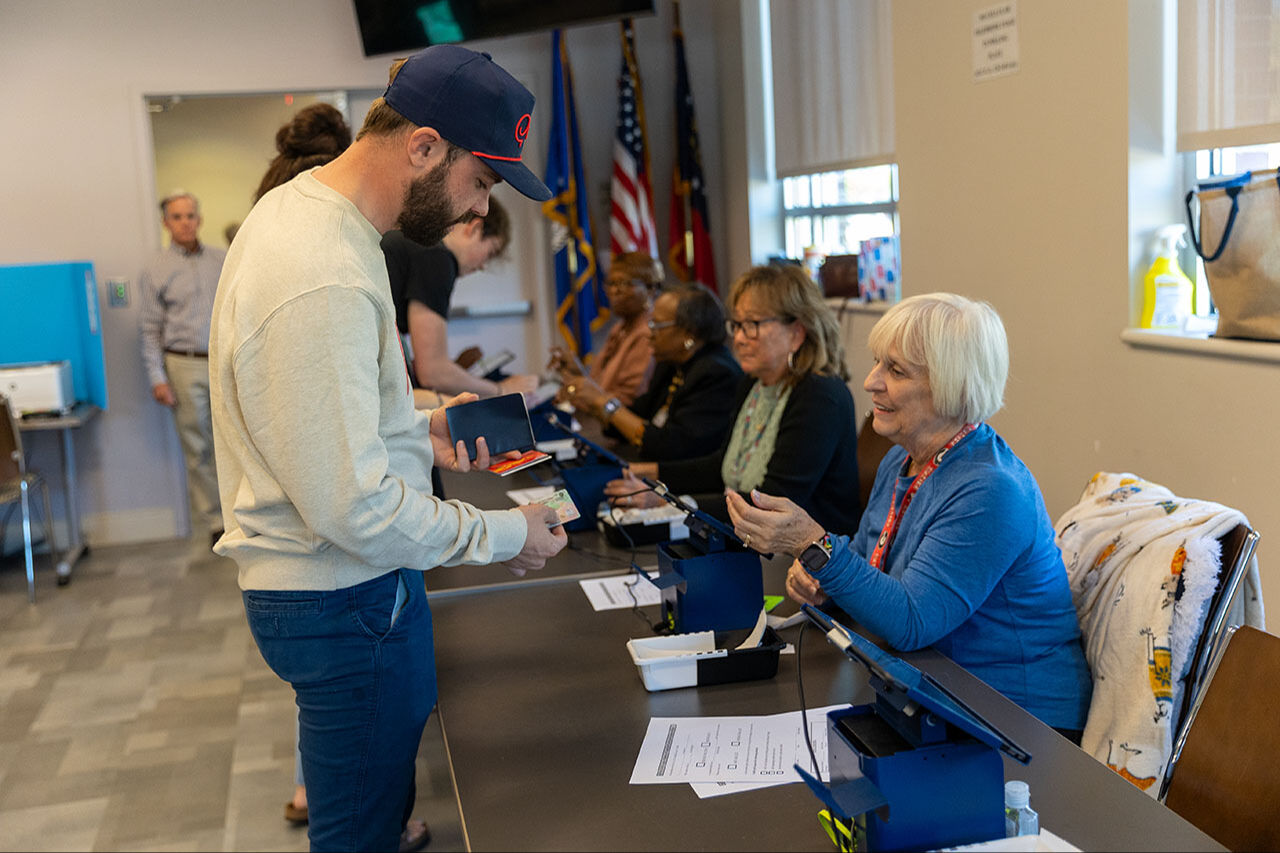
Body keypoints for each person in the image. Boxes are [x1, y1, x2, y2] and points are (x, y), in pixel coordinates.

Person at [209, 45, 567, 852]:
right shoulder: (324, 268)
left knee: (369, 813)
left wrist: (421, 431)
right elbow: (352, 504)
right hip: (345, 597)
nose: (476, 211)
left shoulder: (311, 219)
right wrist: (504, 534)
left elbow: (319, 424)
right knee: (359, 835)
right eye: (481, 182)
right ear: (423, 146)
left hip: (337, 591)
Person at [725, 293, 1092, 737]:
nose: (871, 382)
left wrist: (812, 546)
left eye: (895, 371)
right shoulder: (901, 460)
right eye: (878, 363)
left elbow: (913, 622)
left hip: (1015, 721)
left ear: (951, 383)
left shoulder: (990, 489)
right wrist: (818, 581)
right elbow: (863, 560)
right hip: (929, 691)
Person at [605, 264, 861, 534]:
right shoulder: (754, 383)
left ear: (796, 333)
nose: (738, 338)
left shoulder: (820, 396)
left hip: (807, 558)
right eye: (737, 325)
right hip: (752, 541)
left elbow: (773, 502)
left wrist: (667, 501)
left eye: (752, 325)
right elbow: (722, 467)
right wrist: (651, 474)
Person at [563, 281, 742, 462]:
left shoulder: (716, 374)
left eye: (657, 325)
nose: (650, 333)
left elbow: (672, 446)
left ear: (689, 333)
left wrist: (603, 402)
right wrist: (590, 400)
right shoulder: (671, 364)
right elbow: (636, 416)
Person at [383, 197, 539, 401]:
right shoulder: (437, 258)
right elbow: (432, 373)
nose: (483, 266)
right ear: (475, 228)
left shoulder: (418, 242)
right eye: (490, 253)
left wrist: (456, 369)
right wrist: (502, 390)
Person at [138, 190, 226, 549]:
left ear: (200, 219)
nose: (185, 222)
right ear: (165, 222)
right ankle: (217, 522)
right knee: (199, 445)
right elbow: (149, 329)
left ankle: (243, 515)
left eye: (190, 215)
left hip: (223, 362)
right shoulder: (156, 269)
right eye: (177, 217)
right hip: (183, 363)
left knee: (233, 441)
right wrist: (157, 377)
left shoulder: (222, 260)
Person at [550, 251, 660, 407]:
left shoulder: (649, 334)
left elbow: (627, 401)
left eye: (624, 283)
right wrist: (576, 372)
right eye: (611, 283)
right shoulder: (619, 329)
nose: (614, 291)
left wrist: (576, 392)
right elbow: (600, 387)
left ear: (650, 289)